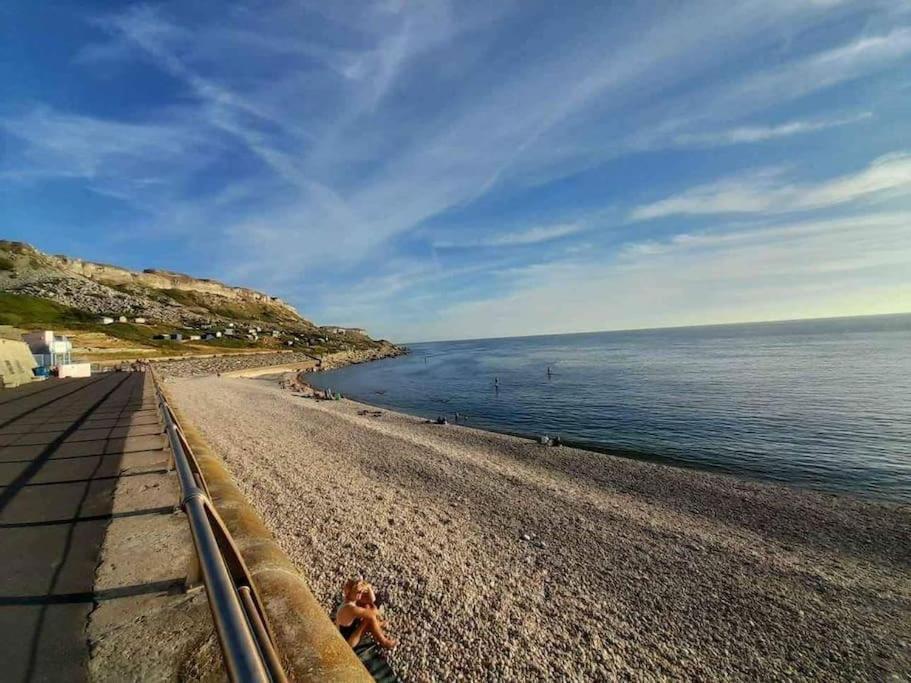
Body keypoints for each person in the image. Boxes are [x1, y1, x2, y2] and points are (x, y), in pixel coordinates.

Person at [335, 579, 397, 649]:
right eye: (358, 592)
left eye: (360, 592)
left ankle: (378, 624)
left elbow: (372, 599)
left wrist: (368, 587)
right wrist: (374, 609)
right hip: (348, 641)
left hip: (349, 630)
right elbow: (373, 614)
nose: (360, 594)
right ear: (350, 592)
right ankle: (384, 642)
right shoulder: (350, 608)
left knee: (366, 606)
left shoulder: (350, 599)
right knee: (370, 618)